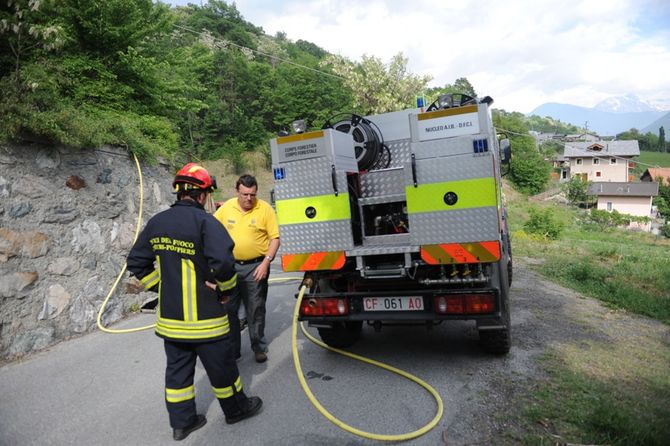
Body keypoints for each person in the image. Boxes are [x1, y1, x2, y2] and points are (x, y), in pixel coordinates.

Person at [126, 163, 262, 441]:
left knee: (178, 374)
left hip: (172, 321)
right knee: (223, 369)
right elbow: (224, 264)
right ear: (202, 194)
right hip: (206, 321)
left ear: (179, 192)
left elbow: (136, 262)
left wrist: (162, 287)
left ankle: (182, 423)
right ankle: (236, 409)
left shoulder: (157, 222)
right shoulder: (206, 223)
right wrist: (224, 291)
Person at [214, 174, 280, 363]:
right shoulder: (227, 208)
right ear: (237, 192)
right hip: (230, 267)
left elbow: (275, 238)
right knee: (229, 309)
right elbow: (211, 228)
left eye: (252, 194)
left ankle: (258, 347)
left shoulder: (265, 209)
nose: (248, 199)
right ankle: (233, 349)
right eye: (244, 194)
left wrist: (266, 263)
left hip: (256, 267)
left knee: (255, 309)